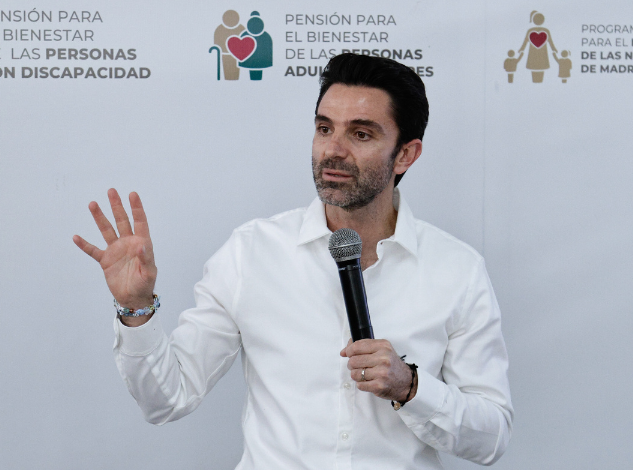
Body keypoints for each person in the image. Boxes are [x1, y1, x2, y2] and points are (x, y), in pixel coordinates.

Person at [73, 53, 512, 469]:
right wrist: (136, 309)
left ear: (406, 154)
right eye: (324, 128)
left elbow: (491, 438)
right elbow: (166, 399)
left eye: (360, 134)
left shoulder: (457, 270)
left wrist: (411, 386)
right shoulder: (252, 253)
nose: (333, 150)